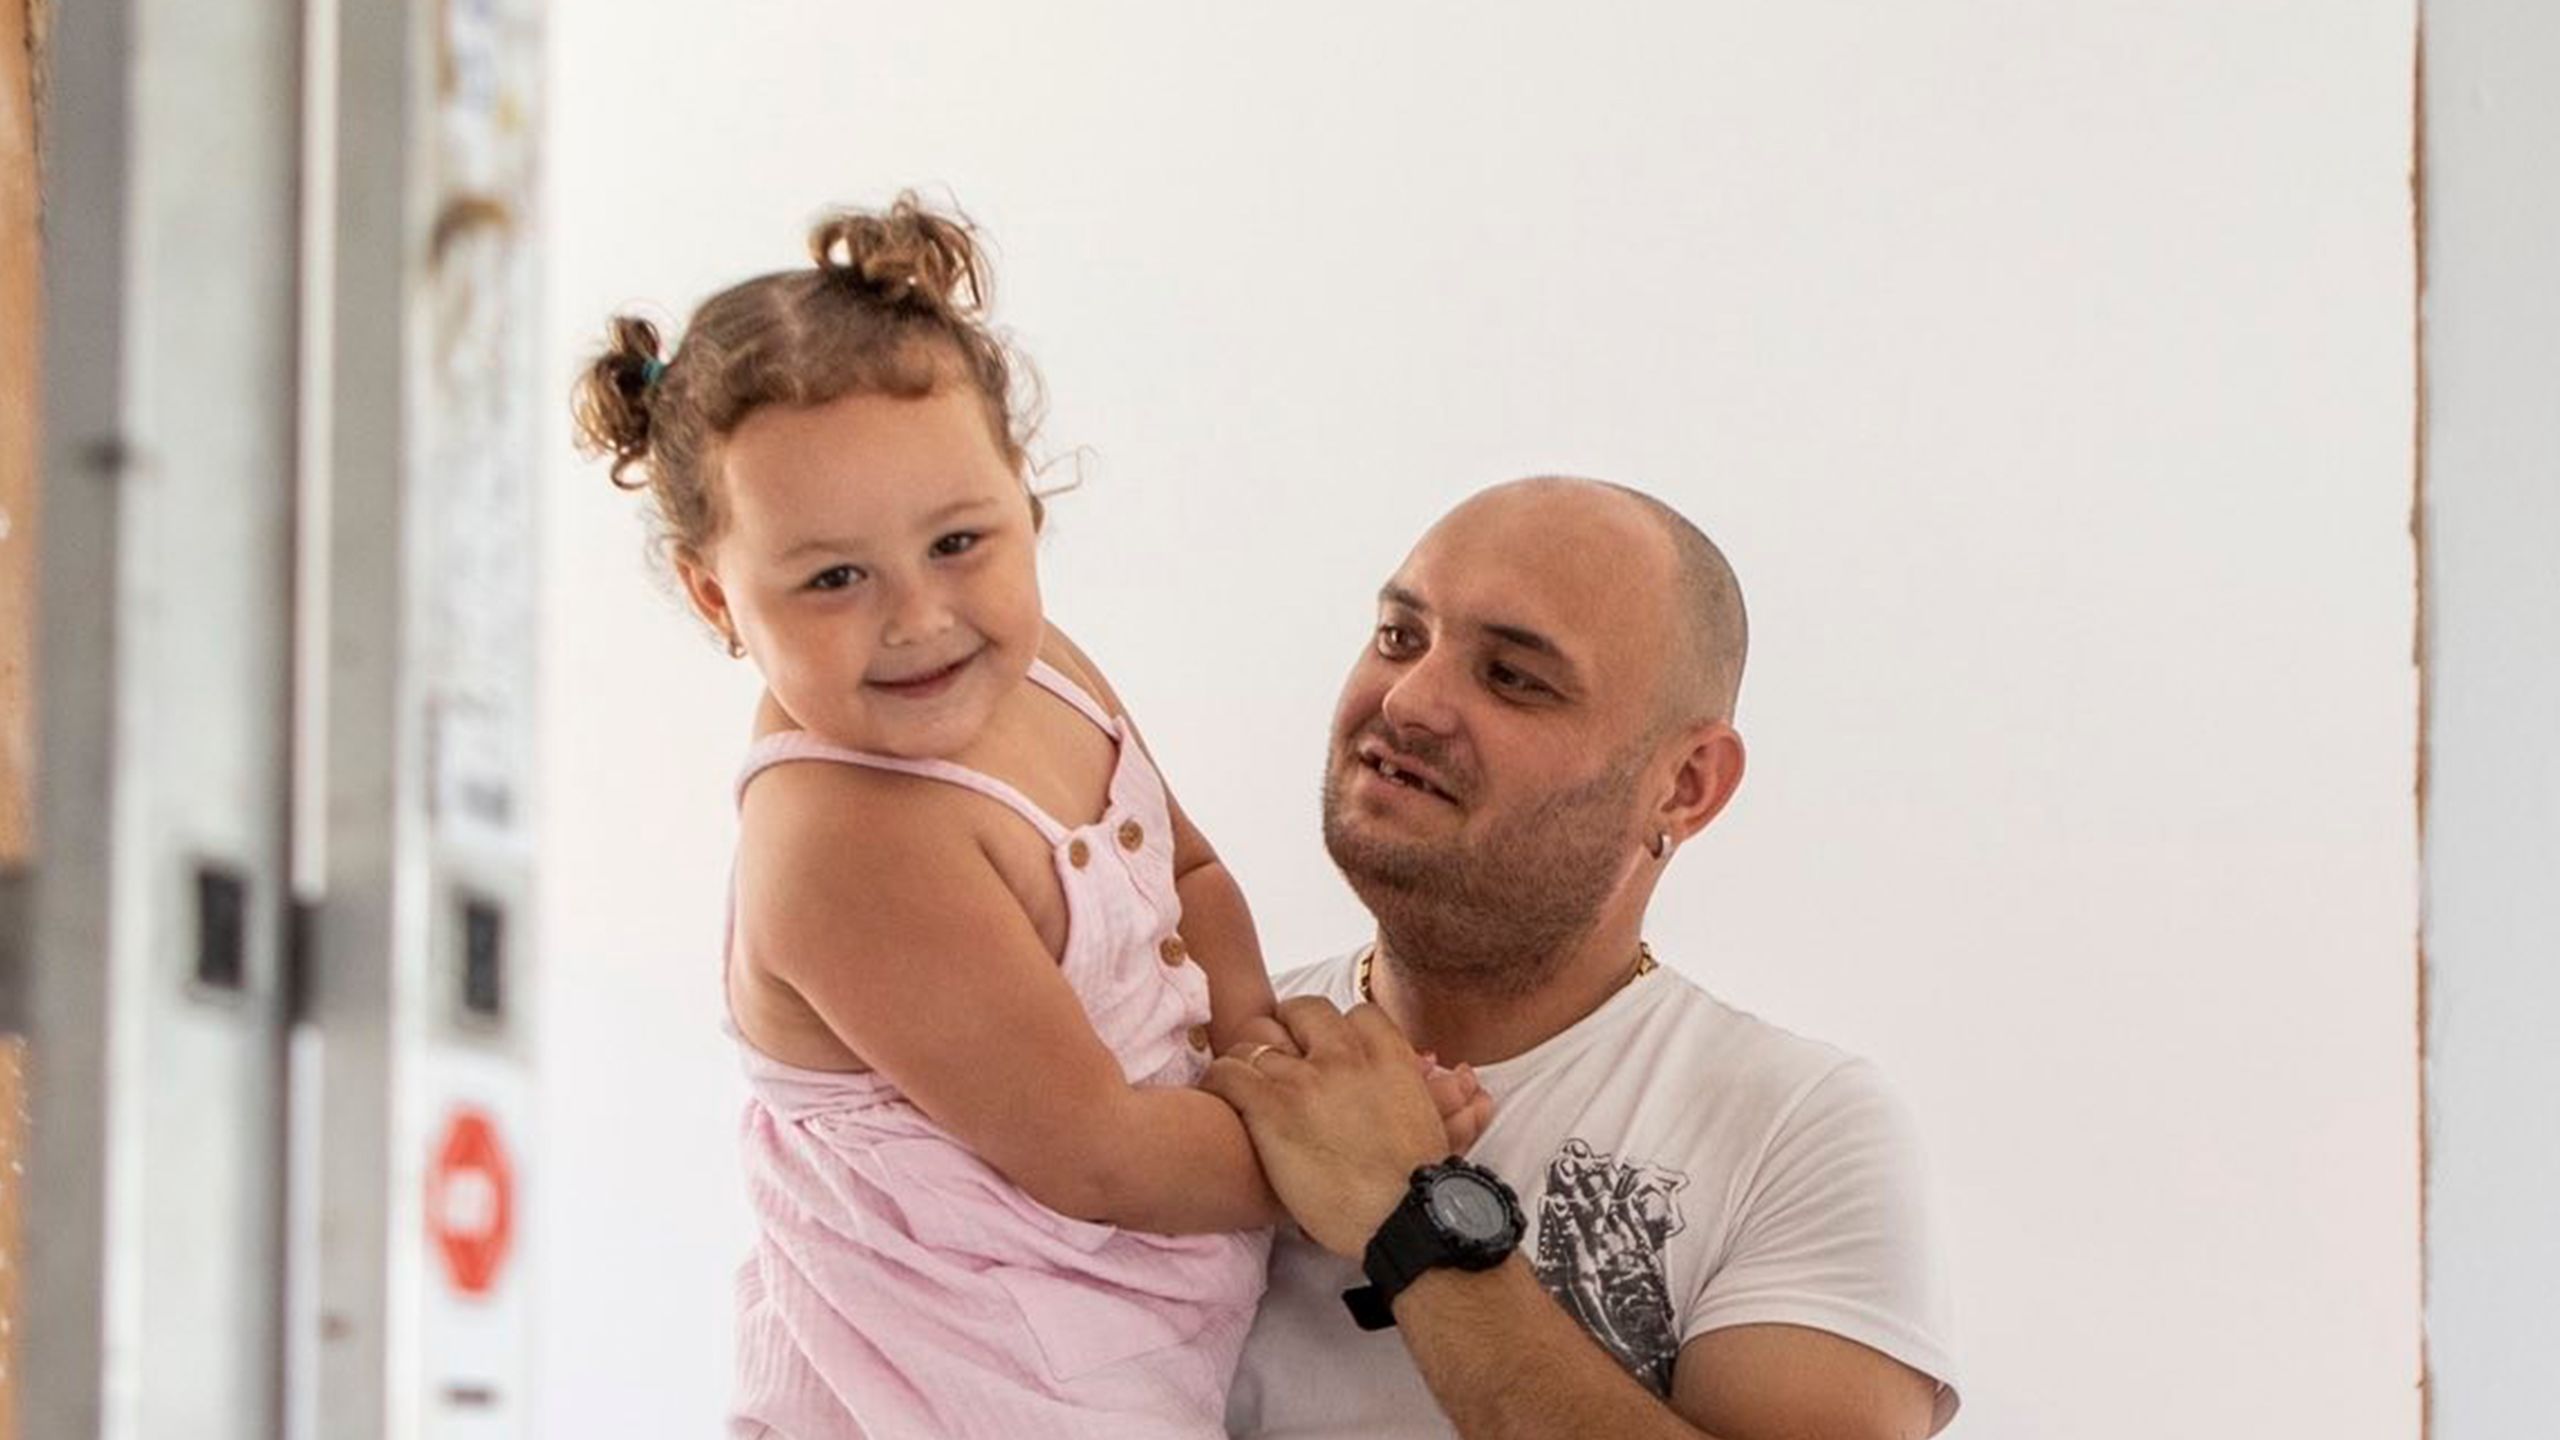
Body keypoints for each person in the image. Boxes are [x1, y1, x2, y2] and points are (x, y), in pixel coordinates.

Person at [570, 194, 1492, 1439]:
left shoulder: (1045, 666)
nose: (917, 616)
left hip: (1106, 1316)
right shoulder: (847, 838)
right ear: (714, 597)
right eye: (832, 577)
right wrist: (1360, 1160)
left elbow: (1200, 875)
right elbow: (1096, 1158)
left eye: (959, 541)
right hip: (961, 1368)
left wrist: (1257, 1046)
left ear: (1027, 504)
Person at [1210, 478, 1960, 1439]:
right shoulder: (1204, 1044)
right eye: (1401, 637)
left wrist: (1412, 1221)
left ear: (1685, 786)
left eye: (1513, 677)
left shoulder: (1796, 1131)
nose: (1410, 700)